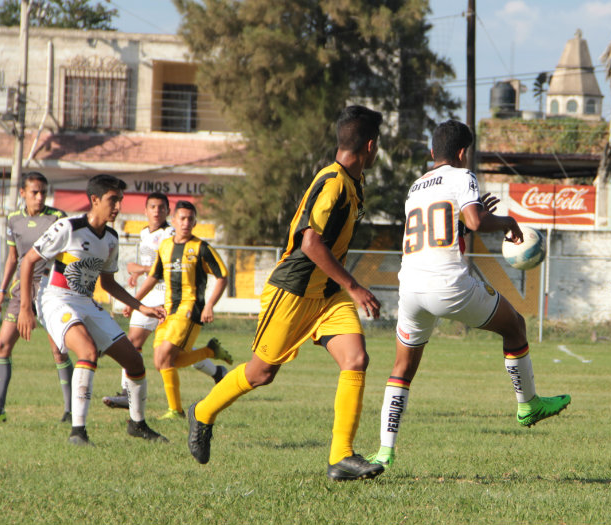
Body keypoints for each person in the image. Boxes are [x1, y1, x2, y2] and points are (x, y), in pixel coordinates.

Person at [187, 105, 385, 481]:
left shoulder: (353, 183)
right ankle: (203, 412)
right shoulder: (334, 182)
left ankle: (341, 456)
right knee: (261, 373)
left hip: (327, 295)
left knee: (356, 359)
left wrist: (343, 287)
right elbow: (310, 242)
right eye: (378, 146)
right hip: (293, 290)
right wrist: (354, 285)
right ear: (370, 146)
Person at [367, 120, 571, 470]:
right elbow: (475, 223)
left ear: (433, 152)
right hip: (449, 285)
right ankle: (528, 404)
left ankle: (384, 451)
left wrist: (470, 216)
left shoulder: (415, 188)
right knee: (515, 326)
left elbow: (442, 229)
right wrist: (505, 222)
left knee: (402, 368)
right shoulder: (463, 177)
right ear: (463, 153)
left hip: (412, 287)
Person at [17, 174, 168, 446]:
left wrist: (141, 306)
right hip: (55, 299)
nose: (118, 207)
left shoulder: (111, 238)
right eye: (112, 200)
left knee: (134, 362)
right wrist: (25, 309)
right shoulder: (68, 227)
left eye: (120, 201)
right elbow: (28, 261)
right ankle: (78, 432)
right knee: (87, 351)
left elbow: (108, 283)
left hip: (85, 302)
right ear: (94, 200)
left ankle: (137, 423)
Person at [102, 193, 227, 410]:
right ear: (145, 211)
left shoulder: (173, 233)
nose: (157, 211)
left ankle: (149, 399)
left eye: (161, 207)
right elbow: (156, 269)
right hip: (153, 297)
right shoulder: (146, 234)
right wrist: (136, 296)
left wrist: (137, 269)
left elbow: (165, 269)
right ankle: (215, 369)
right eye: (153, 207)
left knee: (163, 352)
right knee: (152, 349)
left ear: (169, 213)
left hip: (168, 299)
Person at [0, 172, 74, 423]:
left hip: (50, 290)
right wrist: (1, 290)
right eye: (34, 192)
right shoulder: (13, 219)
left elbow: (67, 256)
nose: (40, 197)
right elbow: (12, 258)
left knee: (58, 351)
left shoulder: (58, 218)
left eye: (43, 192)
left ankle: (72, 411)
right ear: (22, 193)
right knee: (2, 345)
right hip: (20, 291)